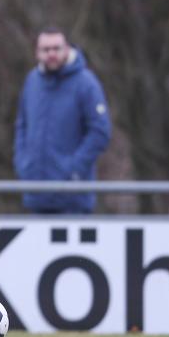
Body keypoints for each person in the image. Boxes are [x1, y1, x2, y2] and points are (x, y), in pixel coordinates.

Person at [13, 27, 111, 213]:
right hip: (35, 196)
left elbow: (100, 132)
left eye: (56, 48)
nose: (51, 54)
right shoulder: (32, 81)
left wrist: (73, 170)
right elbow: (22, 125)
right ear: (37, 52)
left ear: (66, 49)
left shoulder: (86, 83)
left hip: (73, 200)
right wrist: (23, 164)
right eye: (46, 49)